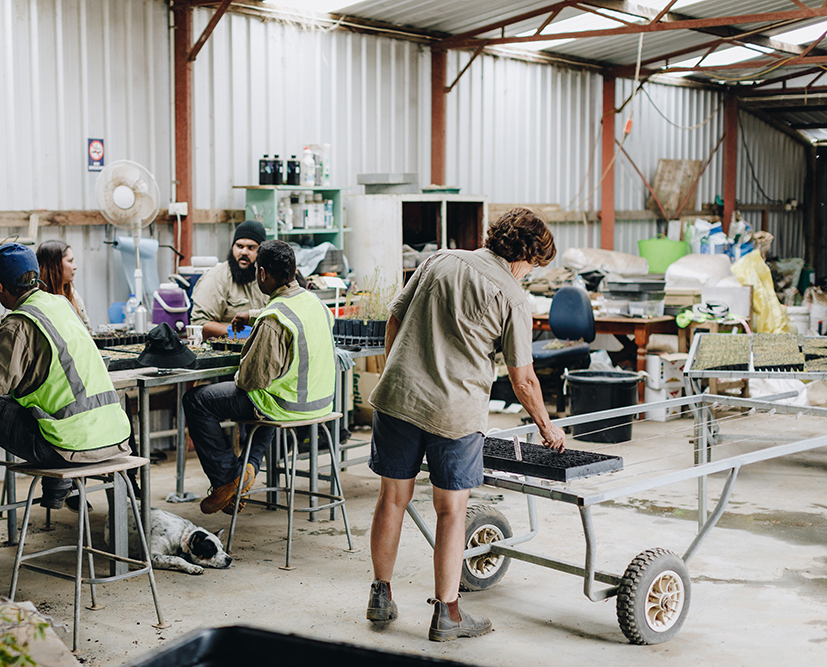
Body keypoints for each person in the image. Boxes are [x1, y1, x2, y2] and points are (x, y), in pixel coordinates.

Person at [364, 208, 566, 642]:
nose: (529, 275)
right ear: (525, 256)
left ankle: (380, 595)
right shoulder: (512, 296)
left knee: (392, 499)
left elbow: (394, 319)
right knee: (451, 510)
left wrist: (399, 371)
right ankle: (448, 614)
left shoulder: (440, 260)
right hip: (454, 414)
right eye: (533, 266)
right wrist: (548, 427)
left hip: (398, 397)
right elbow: (523, 378)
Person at [0, 243, 132, 533]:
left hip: (65, 447)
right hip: (110, 437)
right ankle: (59, 483)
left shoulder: (18, 326)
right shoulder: (61, 304)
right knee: (26, 397)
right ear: (35, 275)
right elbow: (22, 317)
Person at [182, 239, 335, 514]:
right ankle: (249, 467)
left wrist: (245, 355)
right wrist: (253, 316)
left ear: (262, 273)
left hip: (287, 406)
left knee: (197, 400)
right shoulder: (315, 302)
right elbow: (288, 310)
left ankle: (225, 480)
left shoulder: (274, 319)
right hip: (321, 403)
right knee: (267, 398)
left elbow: (251, 380)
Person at [190, 220, 270, 340]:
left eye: (251, 247)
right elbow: (199, 324)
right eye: (239, 246)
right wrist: (238, 334)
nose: (244, 252)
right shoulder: (215, 278)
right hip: (226, 351)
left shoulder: (267, 278)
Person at [36, 239, 93, 333]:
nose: (75, 266)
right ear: (54, 265)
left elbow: (87, 330)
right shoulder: (34, 298)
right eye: (70, 261)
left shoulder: (72, 293)